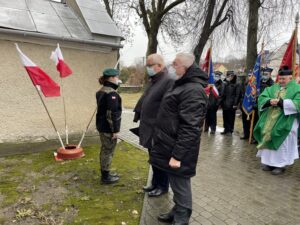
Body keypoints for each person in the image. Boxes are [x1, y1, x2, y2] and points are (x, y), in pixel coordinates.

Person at [150, 53, 208, 225]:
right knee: (176, 184)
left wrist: (177, 156)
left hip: (178, 149)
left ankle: (182, 218)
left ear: (185, 67)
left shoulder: (193, 90)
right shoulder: (181, 85)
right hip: (169, 144)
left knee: (181, 185)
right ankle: (176, 211)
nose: (172, 67)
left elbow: (191, 127)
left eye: (175, 64)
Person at [133, 54, 174, 197]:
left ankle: (162, 186)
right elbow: (146, 98)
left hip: (158, 129)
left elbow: (167, 107)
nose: (148, 68)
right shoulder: (155, 80)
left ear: (160, 66)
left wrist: (159, 126)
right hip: (149, 127)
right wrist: (138, 112)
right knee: (154, 158)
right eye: (147, 66)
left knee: (161, 159)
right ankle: (155, 183)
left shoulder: (168, 80)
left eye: (150, 66)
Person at [254, 66, 300, 175]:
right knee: (266, 134)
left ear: (290, 78)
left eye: (284, 79)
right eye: (280, 79)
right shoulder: (273, 88)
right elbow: (262, 98)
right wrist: (269, 101)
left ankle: (280, 165)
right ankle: (268, 162)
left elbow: (298, 103)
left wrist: (281, 103)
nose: (281, 81)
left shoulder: (297, 89)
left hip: (287, 120)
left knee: (282, 139)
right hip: (270, 119)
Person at [96, 68, 122, 184]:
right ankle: (105, 177)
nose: (117, 79)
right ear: (111, 78)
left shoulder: (101, 91)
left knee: (105, 150)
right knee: (108, 151)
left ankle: (105, 173)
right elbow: (112, 114)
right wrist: (115, 131)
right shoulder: (111, 93)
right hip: (108, 128)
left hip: (102, 126)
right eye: (116, 77)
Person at [221, 71, 242, 135]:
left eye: (231, 76)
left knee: (231, 117)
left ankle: (230, 130)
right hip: (225, 103)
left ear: (233, 76)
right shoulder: (224, 83)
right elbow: (222, 93)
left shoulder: (237, 84)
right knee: (225, 117)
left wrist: (235, 104)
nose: (230, 77)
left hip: (232, 104)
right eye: (228, 76)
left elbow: (237, 95)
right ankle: (225, 129)